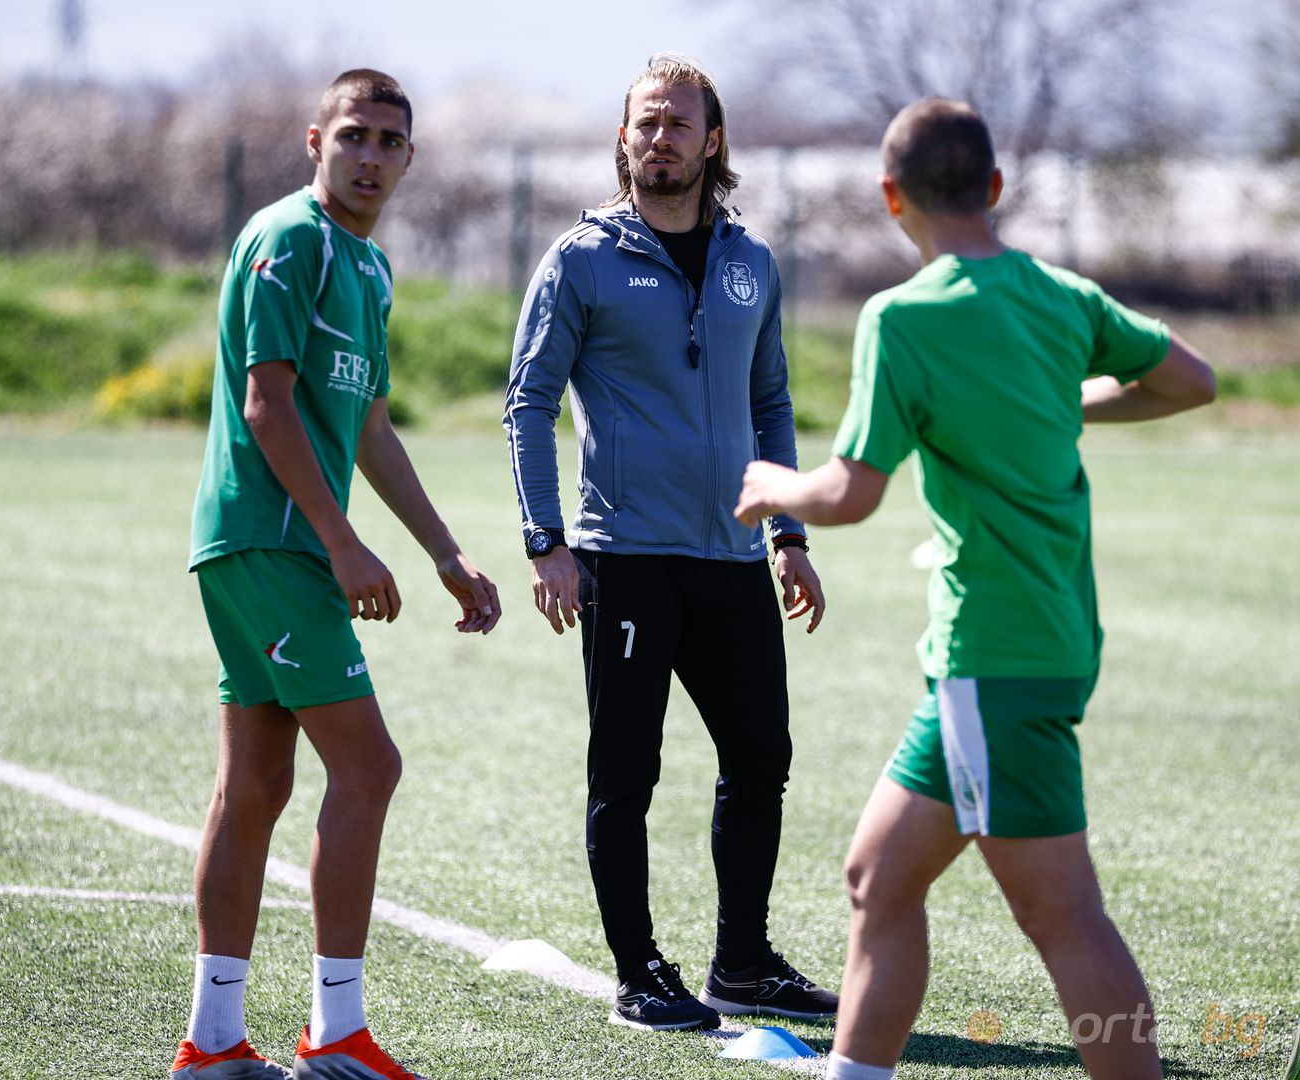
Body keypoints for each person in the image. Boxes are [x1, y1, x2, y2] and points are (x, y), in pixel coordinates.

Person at [734, 98, 1216, 1080]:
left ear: (887, 197)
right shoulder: (1059, 295)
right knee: (874, 877)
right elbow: (1190, 382)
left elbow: (847, 496)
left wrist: (769, 485)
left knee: (1061, 917)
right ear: (992, 188)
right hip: (1041, 641)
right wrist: (1053, 400)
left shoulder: (903, 316)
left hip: (989, 657)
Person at [174, 69, 501, 1080]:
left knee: (257, 785)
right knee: (368, 767)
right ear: (315, 139)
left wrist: (443, 552)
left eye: (388, 142)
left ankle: (214, 1044)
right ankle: (336, 1034)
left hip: (273, 544)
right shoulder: (290, 239)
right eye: (352, 135)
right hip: (270, 541)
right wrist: (341, 543)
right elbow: (266, 404)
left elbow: (364, 424)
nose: (368, 156)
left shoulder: (368, 268)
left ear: (408, 158)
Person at [502, 54, 838, 1033]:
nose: (658, 139)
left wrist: (787, 532)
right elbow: (526, 401)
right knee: (625, 771)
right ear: (623, 138)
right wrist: (544, 540)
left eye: (676, 124)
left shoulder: (751, 263)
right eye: (643, 123)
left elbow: (769, 403)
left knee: (760, 754)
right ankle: (638, 972)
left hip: (733, 556)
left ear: (711, 139)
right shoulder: (581, 258)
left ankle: (740, 964)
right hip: (625, 558)